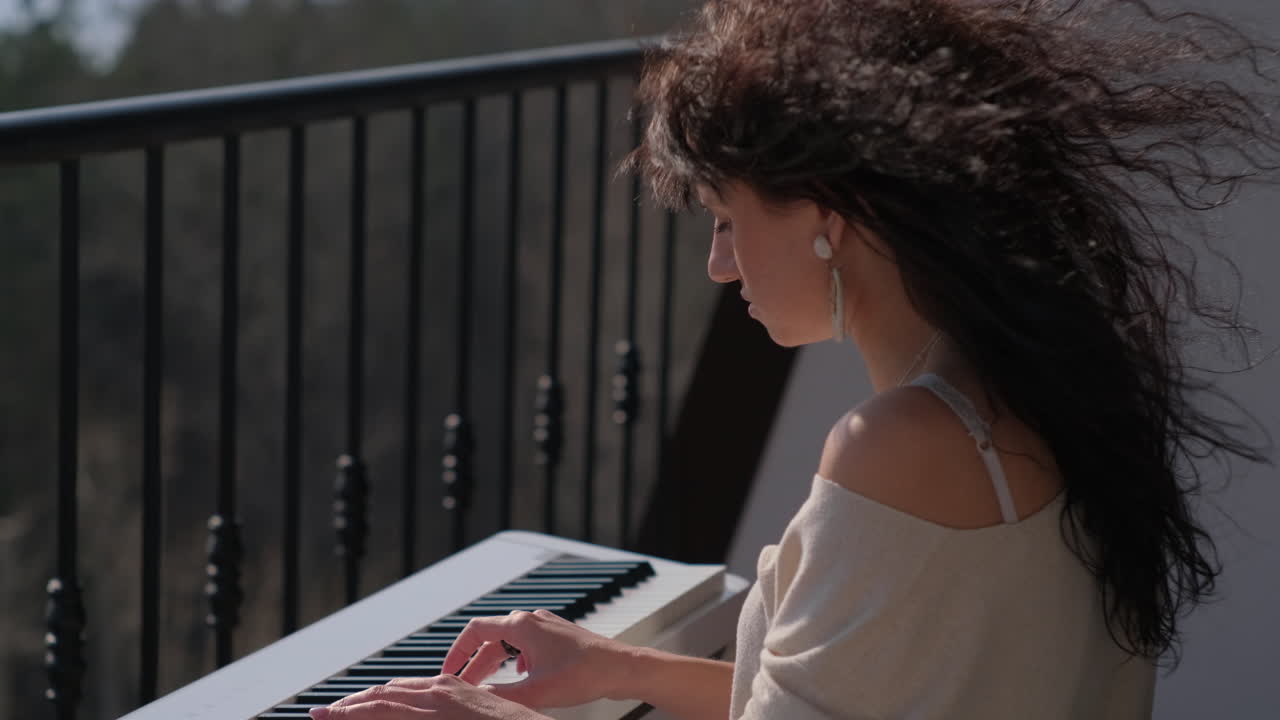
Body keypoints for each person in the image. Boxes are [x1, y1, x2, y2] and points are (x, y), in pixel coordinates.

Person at [310, 0, 1278, 718]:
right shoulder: (1035, 390)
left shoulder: (900, 444)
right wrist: (621, 670)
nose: (716, 263)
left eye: (728, 220)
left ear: (826, 212)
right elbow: (849, 696)